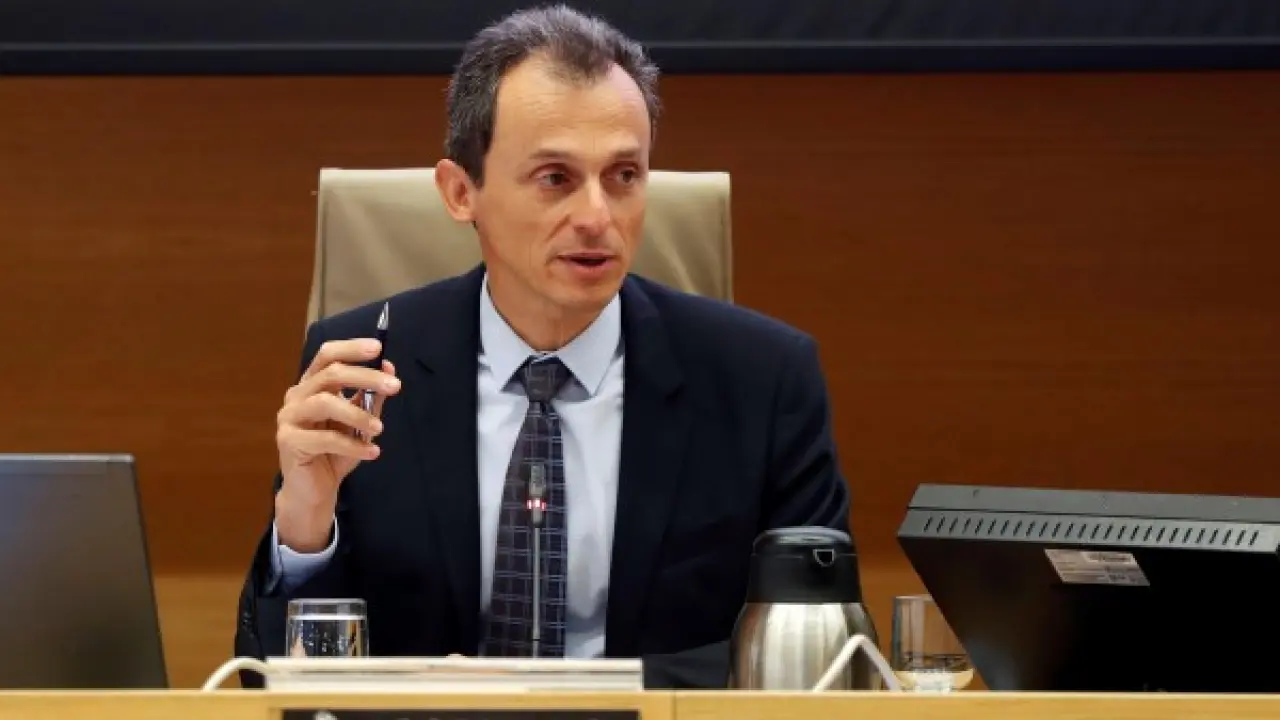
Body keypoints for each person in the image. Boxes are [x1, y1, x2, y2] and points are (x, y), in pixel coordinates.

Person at [234, 4, 856, 688]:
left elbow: (820, 663)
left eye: (624, 175)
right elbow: (274, 683)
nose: (596, 216)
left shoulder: (762, 382)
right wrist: (304, 524)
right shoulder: (364, 368)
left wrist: (562, 695)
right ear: (461, 192)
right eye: (556, 178)